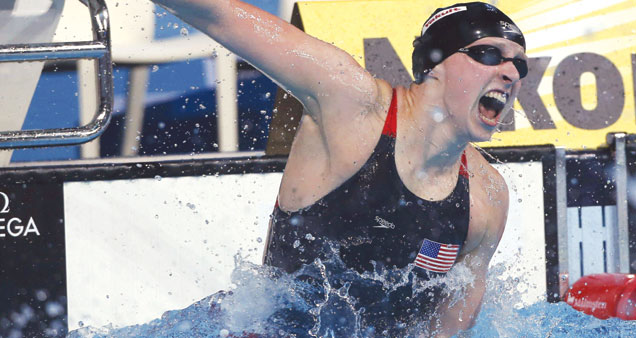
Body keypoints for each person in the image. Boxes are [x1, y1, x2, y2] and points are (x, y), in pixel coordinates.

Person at [152, 0, 526, 336]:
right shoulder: (351, 104)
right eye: (489, 54)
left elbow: (447, 333)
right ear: (435, 64)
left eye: (519, 64)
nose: (511, 74)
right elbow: (219, 16)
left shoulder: (486, 199)